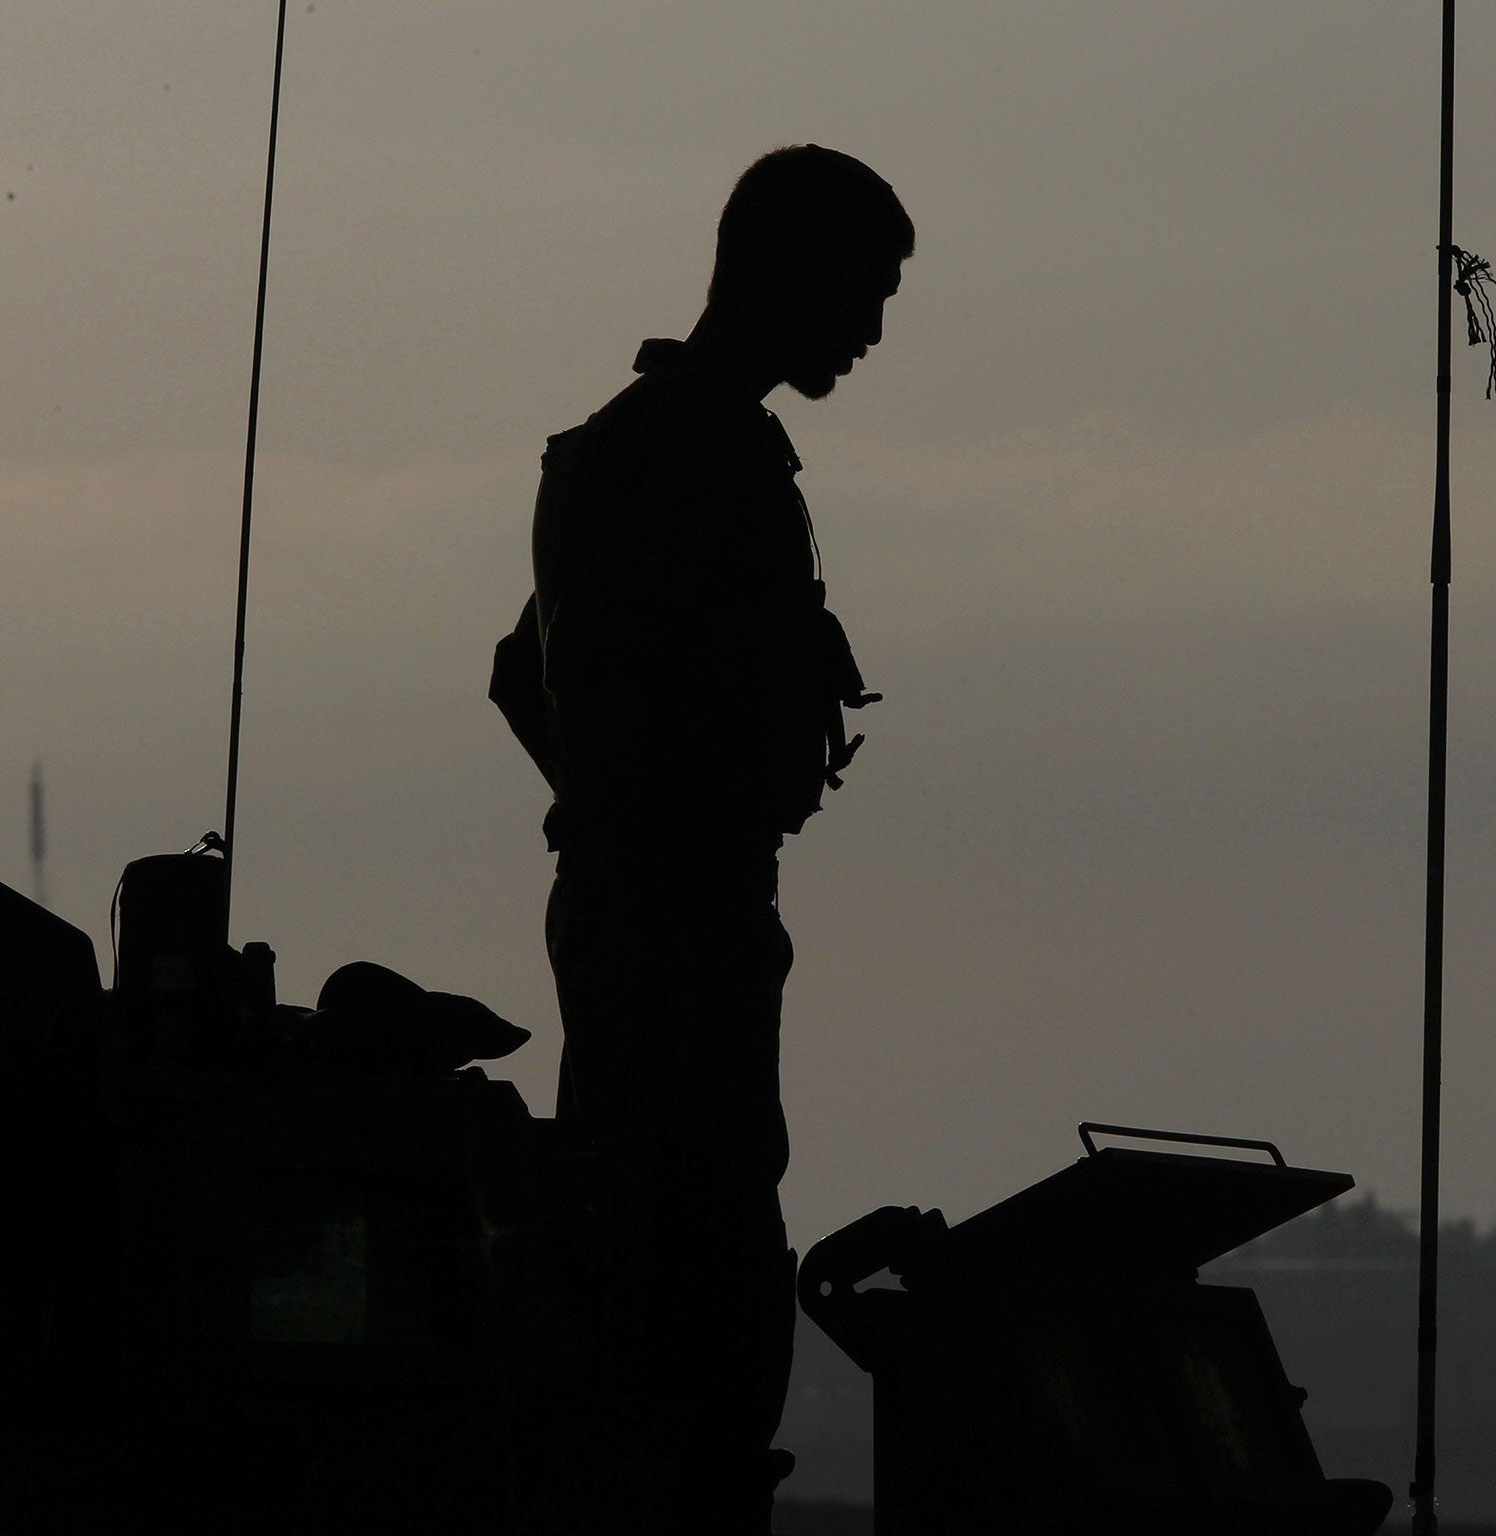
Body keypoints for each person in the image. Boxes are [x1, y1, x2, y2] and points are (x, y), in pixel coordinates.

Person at [505, 145, 911, 1531]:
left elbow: (524, 671)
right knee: (704, 1233)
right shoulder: (705, 447)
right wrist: (676, 799)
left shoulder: (636, 441)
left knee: (660, 1217)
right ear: (785, 275)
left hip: (646, 889)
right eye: (862, 291)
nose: (869, 328)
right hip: (681, 904)